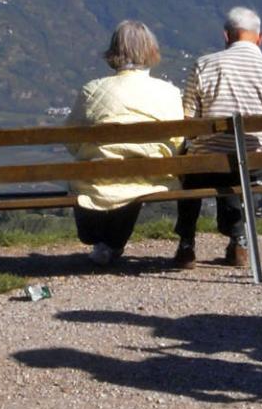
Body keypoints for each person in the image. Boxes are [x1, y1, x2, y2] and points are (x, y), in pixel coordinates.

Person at [173, 7, 262, 269]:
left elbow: (189, 127)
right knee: (240, 167)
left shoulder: (203, 66)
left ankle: (186, 244)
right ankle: (239, 241)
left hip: (206, 166)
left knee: (190, 161)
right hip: (253, 166)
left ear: (226, 36)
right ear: (260, 38)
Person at [65, 20, 184, 267]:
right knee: (135, 180)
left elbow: (71, 137)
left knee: (96, 176)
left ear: (114, 51)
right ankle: (111, 243)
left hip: (97, 178)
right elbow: (177, 141)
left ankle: (102, 241)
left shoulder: (93, 90)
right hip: (151, 178)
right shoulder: (168, 92)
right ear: (151, 50)